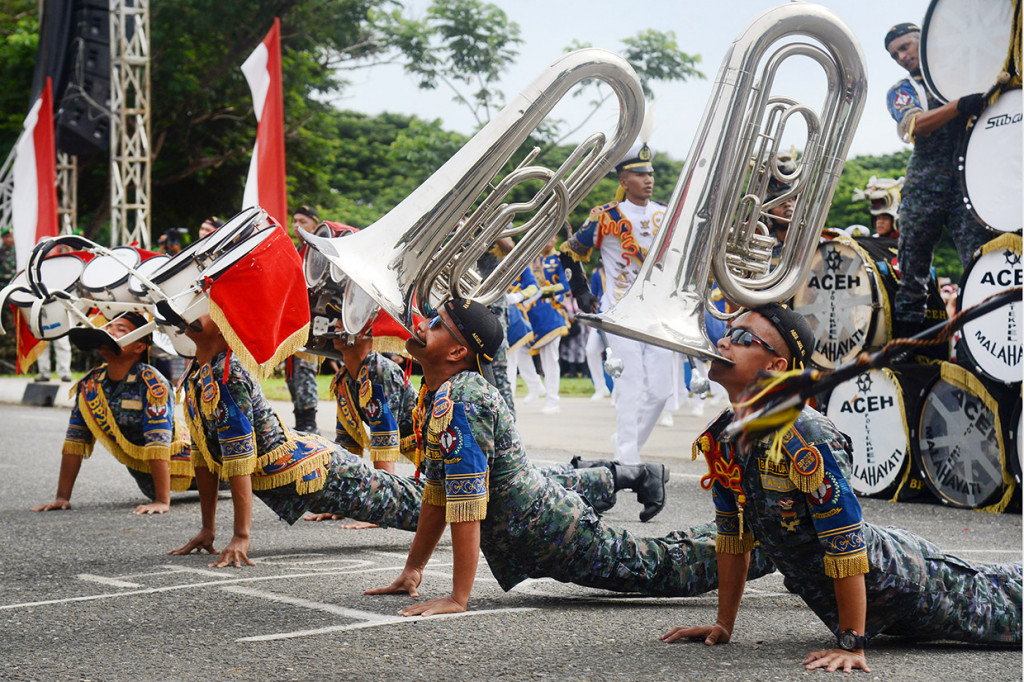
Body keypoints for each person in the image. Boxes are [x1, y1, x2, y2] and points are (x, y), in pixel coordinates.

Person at [662, 303, 1022, 672]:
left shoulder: (805, 435)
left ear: (775, 367)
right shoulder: (724, 438)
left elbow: (845, 541)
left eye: (741, 337)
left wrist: (852, 643)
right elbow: (734, 538)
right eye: (727, 333)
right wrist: (724, 625)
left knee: (1012, 608)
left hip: (903, 584)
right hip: (869, 605)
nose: (723, 342)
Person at [366, 299, 778, 616]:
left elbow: (467, 506)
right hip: (536, 527)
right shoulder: (441, 394)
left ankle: (773, 545)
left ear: (457, 353)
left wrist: (458, 597)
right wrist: (413, 570)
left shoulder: (464, 400)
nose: (421, 325)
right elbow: (438, 495)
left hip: (554, 532)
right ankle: (769, 540)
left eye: (437, 325)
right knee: (657, 557)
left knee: (660, 566)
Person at [168, 312, 643, 566]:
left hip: (405, 467)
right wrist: (212, 529)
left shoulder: (380, 372)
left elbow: (384, 439)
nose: (337, 338)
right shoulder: (202, 380)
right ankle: (618, 475)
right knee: (511, 488)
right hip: (414, 466)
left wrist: (242, 535)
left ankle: (616, 476)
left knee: (497, 494)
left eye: (347, 333)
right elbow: (215, 461)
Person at [562, 143, 673, 464]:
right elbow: (569, 252)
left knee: (661, 392)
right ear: (624, 181)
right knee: (631, 384)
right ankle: (628, 457)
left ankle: (627, 442)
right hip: (620, 311)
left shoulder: (665, 214)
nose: (648, 179)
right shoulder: (606, 217)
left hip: (657, 312)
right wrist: (584, 298)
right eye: (639, 174)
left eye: (650, 173)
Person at [884, 22, 991, 339]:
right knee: (912, 275)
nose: (901, 57)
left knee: (978, 265)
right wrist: (959, 105)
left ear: (926, 41)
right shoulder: (902, 90)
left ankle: (982, 339)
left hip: (966, 187)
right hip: (922, 189)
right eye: (894, 54)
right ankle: (905, 350)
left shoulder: (963, 74)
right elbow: (917, 125)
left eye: (906, 47)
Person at [32, 313, 193, 515]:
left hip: (184, 465)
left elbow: (158, 443)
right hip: (146, 477)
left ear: (139, 347)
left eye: (121, 330)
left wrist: (162, 501)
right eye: (110, 327)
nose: (110, 332)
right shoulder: (90, 384)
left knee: (231, 479)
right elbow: (75, 441)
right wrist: (62, 498)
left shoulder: (152, 382)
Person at [524, 236, 570, 414]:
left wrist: (543, 291)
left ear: (556, 238)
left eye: (550, 237)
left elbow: (565, 285)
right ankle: (535, 385)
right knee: (519, 349)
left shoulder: (559, 258)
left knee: (550, 359)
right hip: (533, 314)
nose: (546, 241)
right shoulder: (532, 259)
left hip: (552, 313)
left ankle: (553, 400)